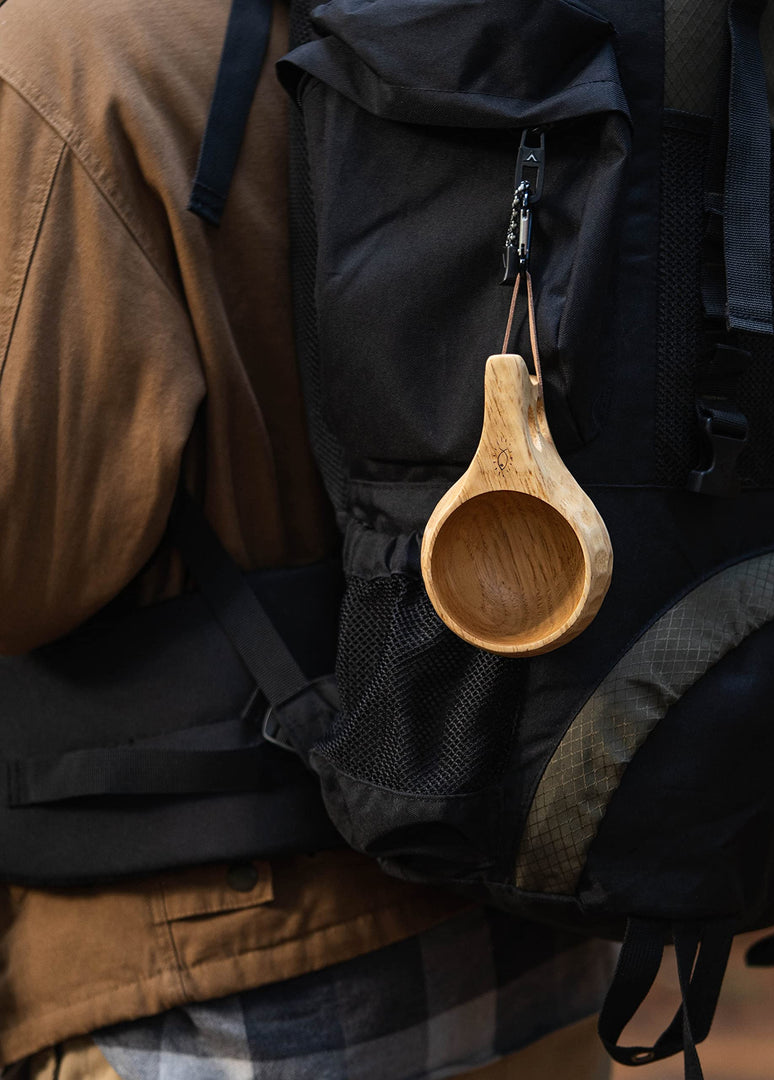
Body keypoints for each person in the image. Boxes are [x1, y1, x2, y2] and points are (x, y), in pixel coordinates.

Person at [0, 0, 614, 1075]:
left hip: (209, 961)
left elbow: (20, 559)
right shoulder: (468, 16)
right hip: (518, 908)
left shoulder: (60, 56)